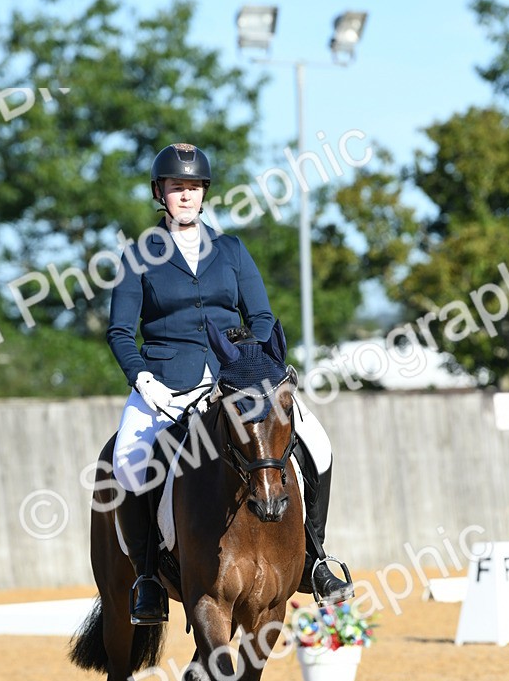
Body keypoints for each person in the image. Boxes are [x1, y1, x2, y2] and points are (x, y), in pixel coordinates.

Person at [106, 142, 352, 624]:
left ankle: (315, 558)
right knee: (129, 462)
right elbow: (119, 331)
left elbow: (260, 315)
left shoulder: (232, 250)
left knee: (317, 444)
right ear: (161, 193)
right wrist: (143, 381)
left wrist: (248, 365)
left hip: (235, 380)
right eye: (177, 188)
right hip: (167, 383)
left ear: (204, 194)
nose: (186, 196)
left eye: (193, 188)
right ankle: (148, 578)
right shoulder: (137, 257)